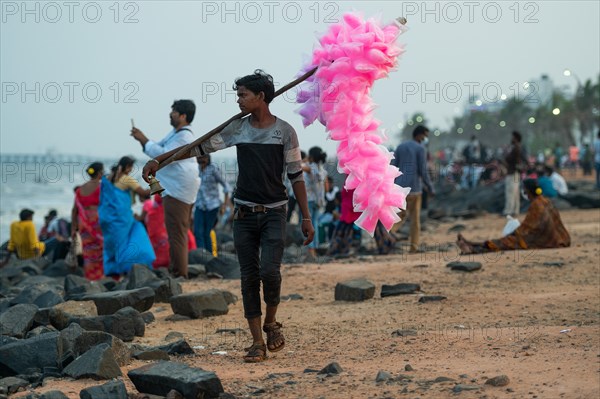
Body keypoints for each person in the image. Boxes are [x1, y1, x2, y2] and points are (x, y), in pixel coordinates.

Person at [141, 70, 314, 363]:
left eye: (243, 95)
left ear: (261, 97)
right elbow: (199, 147)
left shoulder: (285, 132)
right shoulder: (238, 128)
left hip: (275, 212)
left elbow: (296, 175)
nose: (238, 100)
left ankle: (271, 321)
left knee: (270, 273)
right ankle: (257, 342)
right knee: (249, 278)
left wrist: (307, 217)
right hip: (243, 214)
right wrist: (159, 160)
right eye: (238, 95)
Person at [131, 100, 201, 278]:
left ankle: (179, 274)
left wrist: (143, 139)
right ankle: (176, 270)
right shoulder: (176, 134)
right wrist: (144, 141)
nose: (170, 114)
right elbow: (159, 148)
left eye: (174, 111)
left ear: (183, 116)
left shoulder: (184, 136)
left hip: (178, 190)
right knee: (178, 232)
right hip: (179, 188)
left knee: (176, 233)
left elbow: (160, 154)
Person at [457, 178, 570, 254]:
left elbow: (527, 228)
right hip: (560, 238)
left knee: (506, 242)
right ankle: (472, 244)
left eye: (524, 189)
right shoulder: (545, 201)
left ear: (527, 191)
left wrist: (513, 234)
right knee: (508, 240)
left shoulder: (536, 205)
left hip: (545, 240)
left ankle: (473, 248)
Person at [99, 156, 155, 277]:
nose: (131, 170)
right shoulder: (127, 179)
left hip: (108, 219)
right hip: (122, 219)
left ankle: (113, 272)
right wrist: (154, 183)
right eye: (131, 167)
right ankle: (127, 268)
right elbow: (143, 193)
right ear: (127, 167)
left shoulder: (108, 179)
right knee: (134, 239)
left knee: (113, 245)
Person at [390, 125, 435, 253]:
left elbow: (394, 168)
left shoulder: (400, 147)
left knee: (400, 215)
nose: (425, 138)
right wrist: (430, 187)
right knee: (415, 220)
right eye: (425, 136)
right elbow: (423, 171)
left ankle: (390, 232)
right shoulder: (421, 149)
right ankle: (413, 247)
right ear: (419, 135)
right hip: (415, 189)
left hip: (399, 188)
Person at [72, 163, 104, 280]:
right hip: (97, 221)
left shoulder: (80, 189)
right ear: (100, 173)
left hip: (83, 223)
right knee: (101, 249)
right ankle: (101, 277)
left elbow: (74, 210)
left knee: (88, 251)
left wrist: (73, 228)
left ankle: (90, 277)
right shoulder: (102, 187)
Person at [193, 154, 232, 252]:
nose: (200, 159)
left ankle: (209, 255)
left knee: (207, 232)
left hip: (212, 205)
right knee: (198, 232)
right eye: (198, 157)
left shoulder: (213, 169)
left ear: (207, 158)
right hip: (199, 205)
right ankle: (201, 254)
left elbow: (226, 186)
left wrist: (224, 205)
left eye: (202, 157)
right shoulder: (195, 169)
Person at [302, 146, 327, 258]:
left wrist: (304, 160)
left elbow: (298, 166)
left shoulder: (311, 167)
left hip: (309, 200)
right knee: (315, 224)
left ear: (311, 157)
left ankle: (311, 249)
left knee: (308, 225)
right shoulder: (321, 169)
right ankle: (314, 248)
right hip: (318, 201)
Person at [502, 131, 526, 217]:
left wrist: (506, 154)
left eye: (513, 137)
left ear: (516, 138)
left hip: (512, 173)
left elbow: (509, 159)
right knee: (515, 192)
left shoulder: (515, 148)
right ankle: (515, 210)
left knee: (510, 191)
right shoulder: (519, 147)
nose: (511, 139)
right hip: (516, 173)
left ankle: (508, 211)